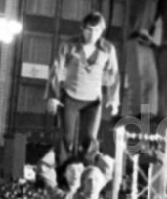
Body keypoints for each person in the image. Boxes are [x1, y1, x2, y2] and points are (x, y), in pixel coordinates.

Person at [46, 12, 119, 159]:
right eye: (89, 29)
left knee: (89, 140)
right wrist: (52, 96)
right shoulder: (69, 45)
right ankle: (63, 176)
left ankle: (86, 173)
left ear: (102, 31)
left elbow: (113, 74)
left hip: (93, 101)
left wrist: (113, 100)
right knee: (66, 138)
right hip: (70, 98)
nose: (93, 34)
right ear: (82, 28)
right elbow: (56, 69)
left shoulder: (108, 49)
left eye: (97, 30)